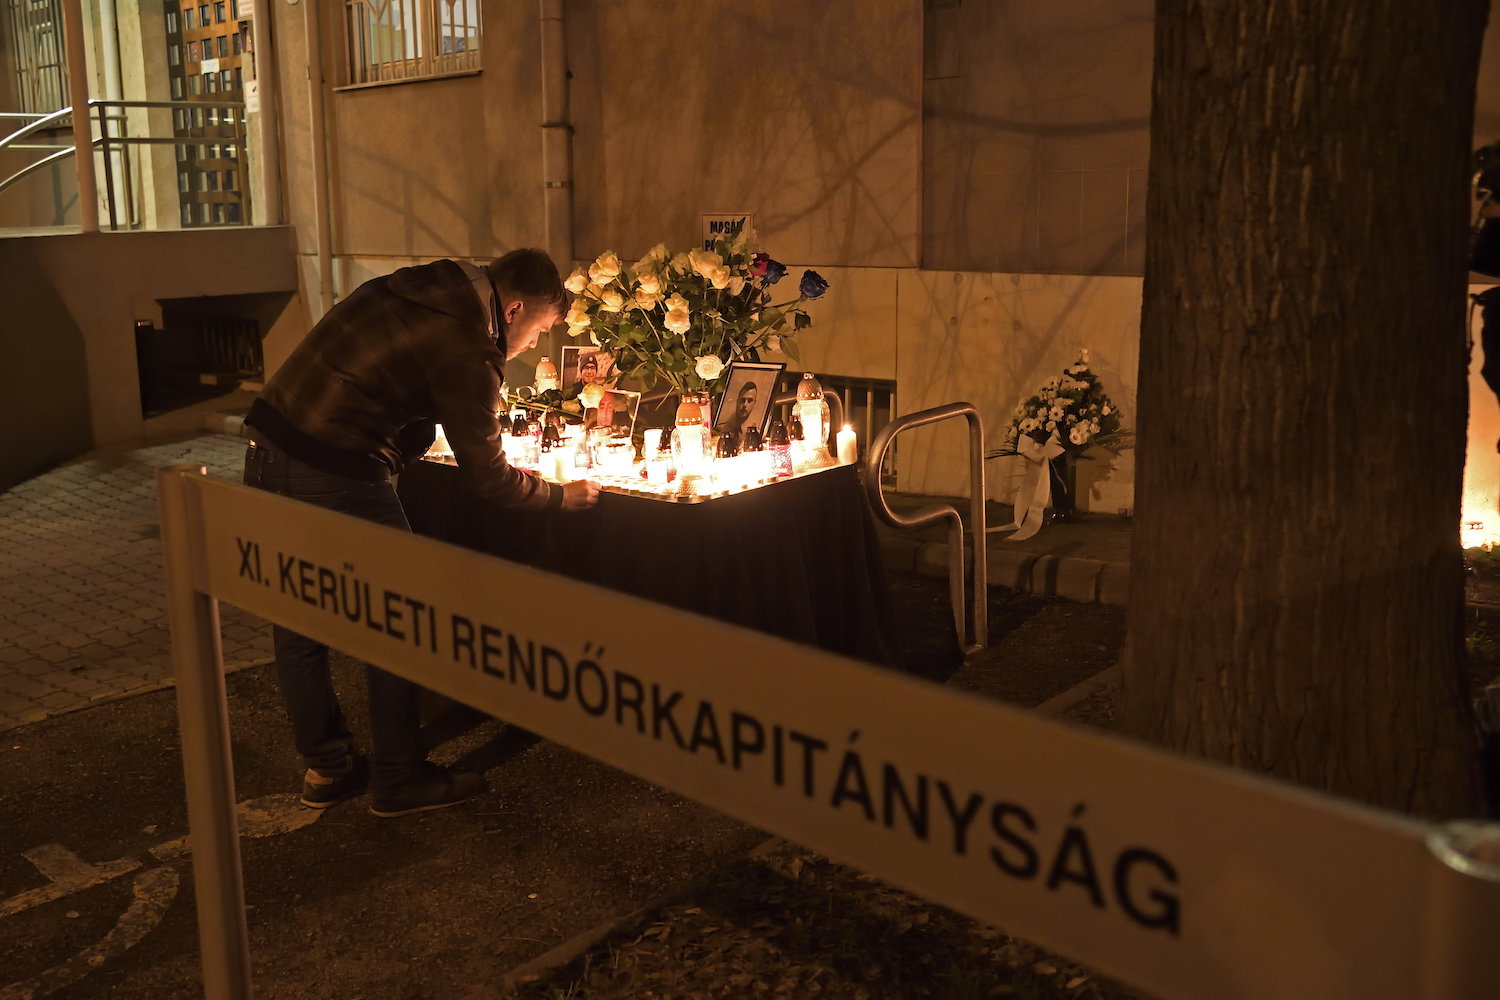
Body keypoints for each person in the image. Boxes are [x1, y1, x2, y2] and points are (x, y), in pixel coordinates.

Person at [242, 248, 600, 818]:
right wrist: (561, 496)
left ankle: (328, 767)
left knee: (298, 617)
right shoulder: (469, 343)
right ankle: (398, 777)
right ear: (513, 309)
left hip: (267, 448)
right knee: (401, 615)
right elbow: (489, 477)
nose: (534, 345)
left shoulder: (422, 285)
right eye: (538, 330)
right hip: (336, 465)